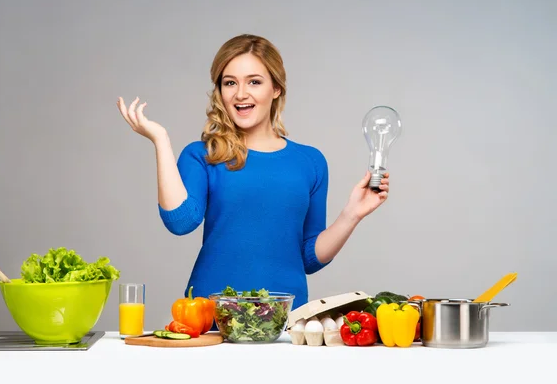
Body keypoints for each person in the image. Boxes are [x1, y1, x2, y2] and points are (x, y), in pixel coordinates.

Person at [116, 34, 390, 311]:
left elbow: (308, 258)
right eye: (230, 82)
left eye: (254, 82)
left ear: (276, 89)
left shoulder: (310, 161)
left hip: (283, 322)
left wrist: (352, 215)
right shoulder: (202, 154)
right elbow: (181, 221)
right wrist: (160, 140)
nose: (240, 94)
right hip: (211, 318)